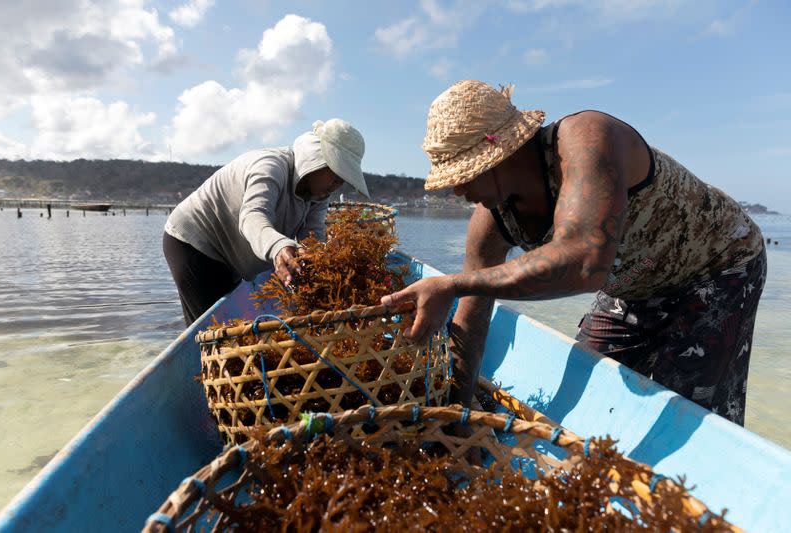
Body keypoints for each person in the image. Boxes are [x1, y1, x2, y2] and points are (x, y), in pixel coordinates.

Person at [381, 80, 766, 425]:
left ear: (498, 153)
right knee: (588, 388)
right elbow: (472, 311)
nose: (458, 191)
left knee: (688, 411)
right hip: (634, 285)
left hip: (717, 268)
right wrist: (456, 415)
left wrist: (452, 285)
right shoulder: (491, 220)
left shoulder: (586, 138)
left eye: (462, 176)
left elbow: (584, 263)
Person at [164, 118, 369, 326]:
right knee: (211, 332)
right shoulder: (271, 167)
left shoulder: (318, 194)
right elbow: (252, 217)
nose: (339, 183)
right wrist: (279, 246)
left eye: (344, 177)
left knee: (227, 327)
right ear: (315, 160)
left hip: (231, 257)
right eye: (336, 172)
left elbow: (312, 237)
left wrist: (319, 263)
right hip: (194, 241)